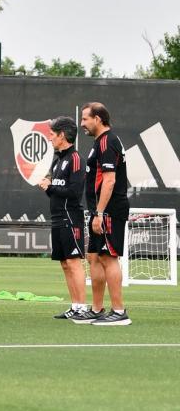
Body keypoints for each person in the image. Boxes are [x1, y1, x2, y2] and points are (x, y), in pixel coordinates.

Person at [75, 102, 131, 326]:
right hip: (98, 211)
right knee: (94, 258)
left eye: (85, 119)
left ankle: (119, 312)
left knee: (109, 257)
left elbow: (109, 180)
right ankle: (97, 309)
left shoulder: (108, 141)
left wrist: (99, 213)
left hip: (108, 210)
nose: (82, 124)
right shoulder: (99, 143)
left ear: (98, 119)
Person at [35, 117, 88, 320]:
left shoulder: (75, 159)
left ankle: (83, 307)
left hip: (70, 218)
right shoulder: (59, 160)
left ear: (62, 135)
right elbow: (56, 192)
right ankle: (75, 305)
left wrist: (51, 186)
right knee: (65, 263)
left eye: (52, 134)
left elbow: (74, 192)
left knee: (74, 262)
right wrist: (48, 187)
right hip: (57, 218)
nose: (49, 138)